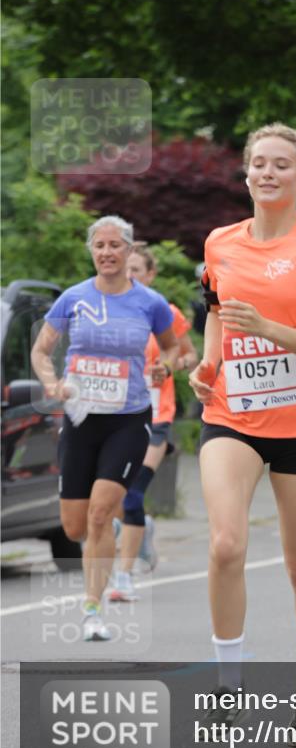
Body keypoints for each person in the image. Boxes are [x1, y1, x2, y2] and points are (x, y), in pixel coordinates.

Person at [188, 123, 296, 736]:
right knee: (226, 543)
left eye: (281, 164)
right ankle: (228, 687)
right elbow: (216, 316)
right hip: (233, 416)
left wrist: (270, 328)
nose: (267, 172)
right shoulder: (219, 243)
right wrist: (210, 362)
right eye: (258, 163)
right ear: (247, 173)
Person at [30, 216, 178, 641]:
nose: (108, 252)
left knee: (99, 513)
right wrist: (50, 382)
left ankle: (92, 609)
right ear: (91, 251)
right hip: (80, 418)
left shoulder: (149, 302)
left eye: (116, 245)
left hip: (129, 419)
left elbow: (171, 347)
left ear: (129, 250)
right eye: (101, 245)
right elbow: (43, 350)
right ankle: (108, 535)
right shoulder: (73, 299)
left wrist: (164, 366)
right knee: (75, 526)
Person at [109, 242, 198, 602]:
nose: (129, 276)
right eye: (124, 270)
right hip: (114, 416)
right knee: (114, 494)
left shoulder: (165, 313)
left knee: (131, 494)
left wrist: (170, 365)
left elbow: (190, 354)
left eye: (136, 270)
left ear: (150, 275)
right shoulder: (107, 312)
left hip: (155, 416)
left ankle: (124, 577)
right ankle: (141, 529)